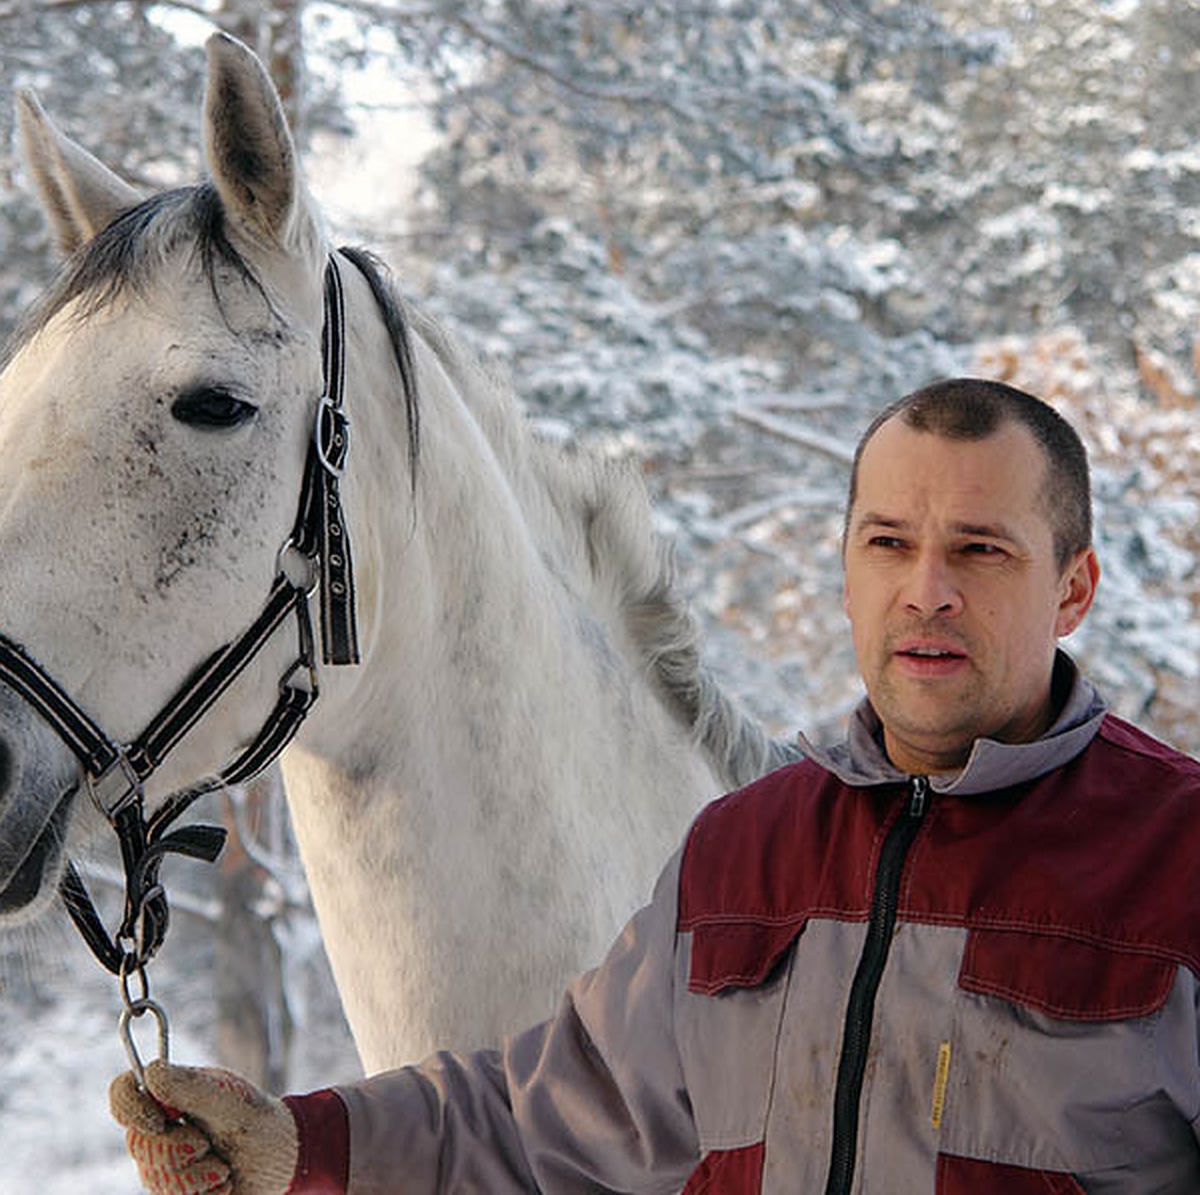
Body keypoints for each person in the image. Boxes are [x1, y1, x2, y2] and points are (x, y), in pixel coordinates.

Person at [110, 377, 1200, 1194]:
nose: (926, 592)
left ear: (1074, 587)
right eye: (888, 542)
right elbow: (539, 1124)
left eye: (980, 551)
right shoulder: (743, 853)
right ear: (848, 565)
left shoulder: (1176, 860)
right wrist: (298, 1145)